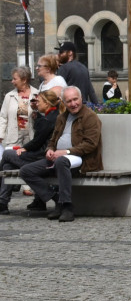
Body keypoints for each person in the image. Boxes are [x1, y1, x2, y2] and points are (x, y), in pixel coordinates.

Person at [18, 86, 103, 222]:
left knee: (61, 161)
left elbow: (90, 144)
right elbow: (52, 140)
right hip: (58, 158)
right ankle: (57, 200)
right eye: (69, 101)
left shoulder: (90, 117)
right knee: (26, 171)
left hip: (82, 159)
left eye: (75, 99)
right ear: (63, 102)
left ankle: (67, 206)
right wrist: (50, 150)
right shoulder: (62, 117)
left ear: (81, 98)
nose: (73, 104)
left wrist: (66, 151)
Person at [0, 90, 61, 215]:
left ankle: (2, 202)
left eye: (39, 101)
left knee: (6, 155)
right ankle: (3, 203)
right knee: (8, 165)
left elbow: (37, 142)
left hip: (39, 156)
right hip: (40, 154)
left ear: (47, 103)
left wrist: (24, 149)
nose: (36, 104)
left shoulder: (47, 119)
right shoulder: (53, 115)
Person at [0, 66, 37, 149]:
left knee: (28, 160)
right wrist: (0, 135)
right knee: (12, 158)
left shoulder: (37, 94)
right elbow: (3, 117)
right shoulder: (9, 96)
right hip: (14, 137)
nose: (12, 81)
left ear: (24, 80)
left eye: (15, 79)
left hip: (31, 137)